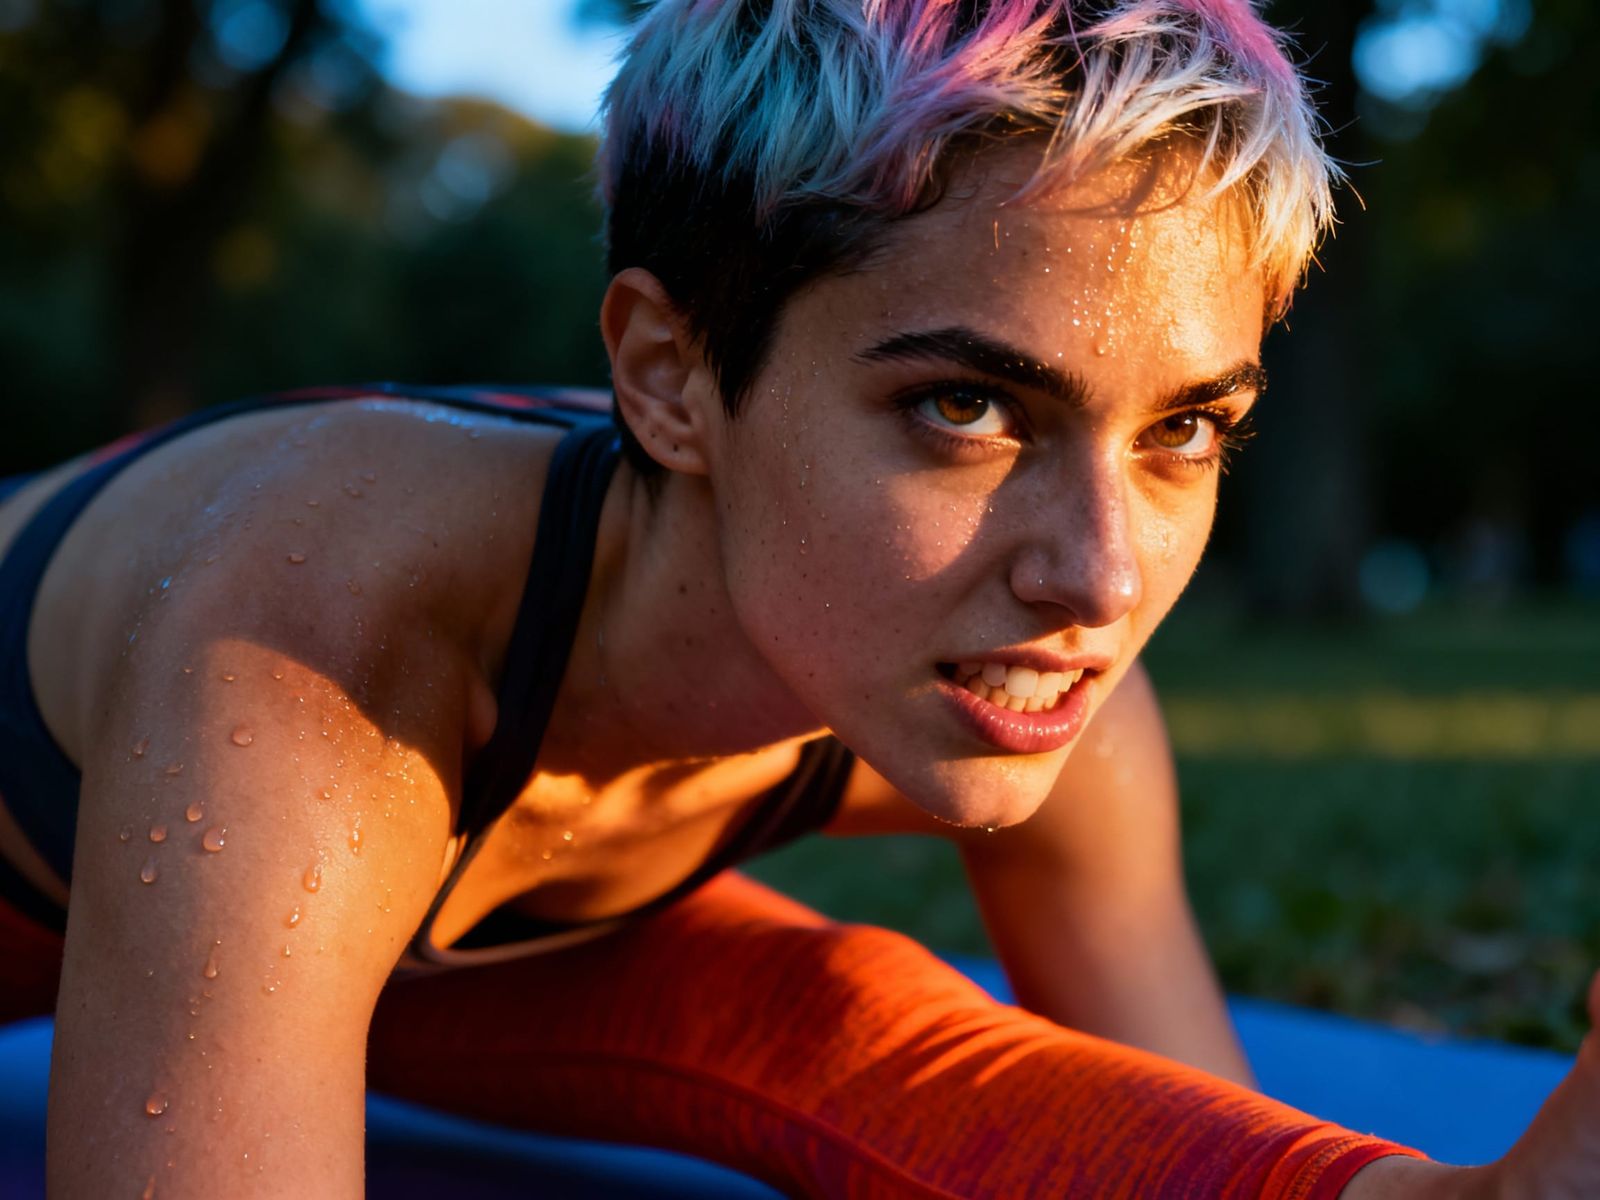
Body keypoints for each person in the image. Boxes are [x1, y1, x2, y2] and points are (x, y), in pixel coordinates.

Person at [2, 0, 1598, 1196]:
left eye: (1184, 430)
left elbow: (1164, 1115)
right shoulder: (317, 646)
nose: (1097, 575)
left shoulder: (1024, 670)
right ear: (668, 374)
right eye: (969, 410)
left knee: (844, 1013)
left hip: (442, 927)